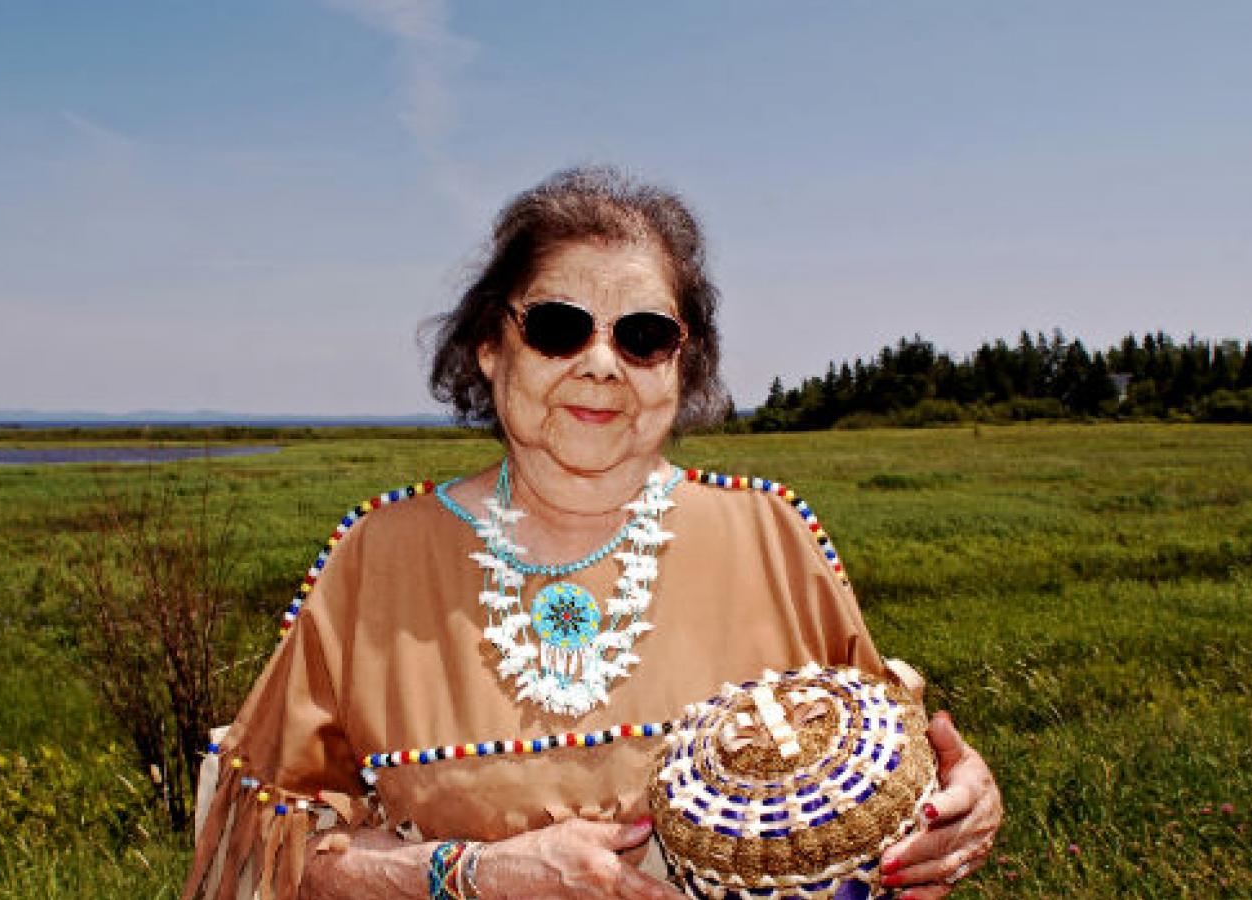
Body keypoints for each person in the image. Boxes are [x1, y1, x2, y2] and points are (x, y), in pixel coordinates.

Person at [185, 167, 1001, 900]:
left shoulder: (773, 534)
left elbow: (886, 797)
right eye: (559, 327)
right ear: (491, 351)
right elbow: (268, 855)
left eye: (645, 337)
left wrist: (960, 812)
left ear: (684, 367)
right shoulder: (378, 553)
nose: (603, 365)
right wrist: (469, 874)